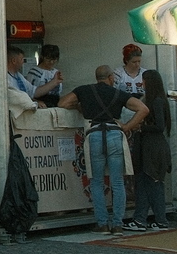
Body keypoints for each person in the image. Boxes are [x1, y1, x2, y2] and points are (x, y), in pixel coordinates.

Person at [62, 65, 150, 234]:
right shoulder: (118, 93)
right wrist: (127, 126)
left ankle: (102, 223)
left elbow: (63, 102)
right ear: (110, 77)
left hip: (94, 134)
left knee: (96, 181)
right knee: (117, 182)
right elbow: (143, 109)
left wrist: (81, 107)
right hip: (114, 134)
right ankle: (117, 224)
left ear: (97, 77)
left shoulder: (84, 90)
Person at [133, 69, 175, 229]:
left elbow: (159, 125)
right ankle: (144, 219)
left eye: (143, 80)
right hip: (156, 146)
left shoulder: (155, 101)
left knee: (152, 183)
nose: (141, 83)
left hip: (152, 147)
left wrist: (141, 127)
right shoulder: (160, 99)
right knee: (149, 183)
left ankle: (157, 219)